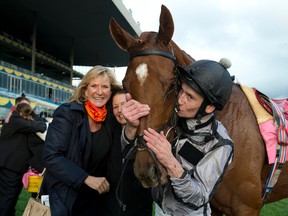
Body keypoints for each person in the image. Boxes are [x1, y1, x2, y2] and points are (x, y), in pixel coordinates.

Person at [121, 59, 234, 216]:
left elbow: (199, 197)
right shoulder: (172, 117)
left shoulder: (220, 144)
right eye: (181, 90)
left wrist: (171, 163)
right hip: (159, 209)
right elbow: (130, 150)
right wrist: (131, 128)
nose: (180, 100)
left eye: (190, 97)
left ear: (209, 107)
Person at [42, 65, 121, 216]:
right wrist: (85, 178)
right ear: (85, 90)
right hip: (67, 197)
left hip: (97, 200)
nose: (99, 92)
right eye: (94, 86)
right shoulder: (67, 114)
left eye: (105, 86)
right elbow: (51, 156)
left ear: (110, 92)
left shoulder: (111, 119)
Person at [105, 87, 153, 216]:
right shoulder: (109, 131)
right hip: (112, 205)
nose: (120, 110)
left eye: (123, 104)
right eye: (115, 107)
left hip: (139, 206)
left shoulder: (145, 133)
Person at [0, 101, 47, 216]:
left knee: (8, 198)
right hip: (10, 167)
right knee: (8, 198)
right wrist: (32, 116)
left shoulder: (16, 120)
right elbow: (41, 125)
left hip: (10, 166)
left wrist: (31, 115)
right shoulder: (16, 121)